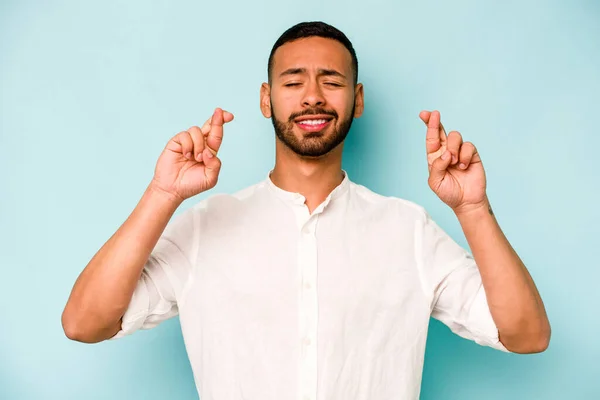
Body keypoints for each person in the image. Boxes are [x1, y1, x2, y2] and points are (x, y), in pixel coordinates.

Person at [62, 21, 551, 400]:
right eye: (293, 81)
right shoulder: (204, 228)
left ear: (356, 100)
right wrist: (162, 194)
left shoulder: (410, 231)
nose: (313, 96)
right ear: (265, 98)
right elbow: (84, 323)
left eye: (331, 81)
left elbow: (526, 334)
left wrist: (473, 207)